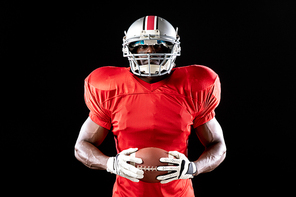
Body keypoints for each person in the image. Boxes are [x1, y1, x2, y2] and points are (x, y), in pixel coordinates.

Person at [75, 15, 226, 197]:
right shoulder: (109, 87)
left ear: (174, 48)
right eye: (141, 45)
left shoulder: (194, 86)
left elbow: (218, 145)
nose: (149, 52)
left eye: (159, 45)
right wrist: (111, 164)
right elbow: (82, 145)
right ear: (128, 48)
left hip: (179, 193)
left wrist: (193, 168)